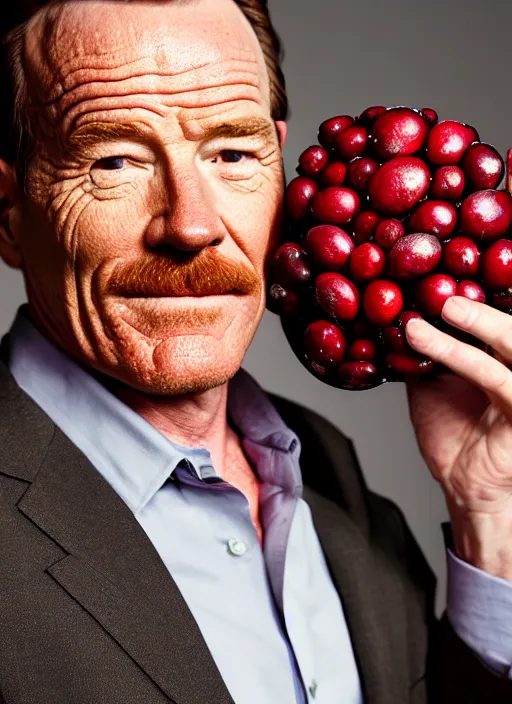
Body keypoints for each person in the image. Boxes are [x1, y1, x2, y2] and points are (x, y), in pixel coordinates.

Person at [0, 0, 511, 702]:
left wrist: (487, 519)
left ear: (281, 170)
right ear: (8, 208)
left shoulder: (327, 469)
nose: (192, 224)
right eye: (115, 159)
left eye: (232, 154)